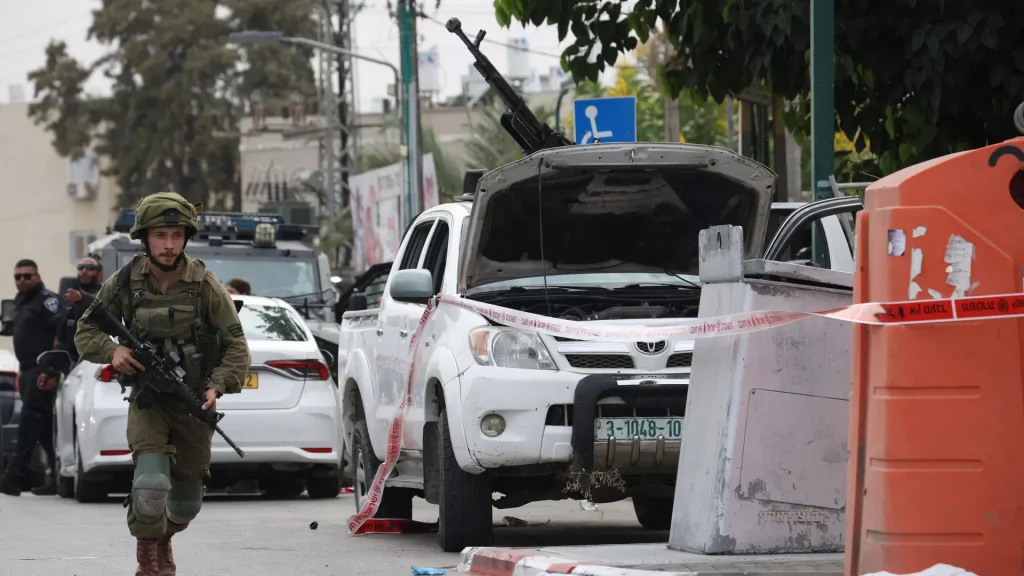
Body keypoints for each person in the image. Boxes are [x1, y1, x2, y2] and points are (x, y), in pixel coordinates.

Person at [75, 192, 250, 576]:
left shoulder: (204, 284)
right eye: (160, 235)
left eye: (176, 235)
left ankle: (161, 537)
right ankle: (148, 564)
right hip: (148, 402)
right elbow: (85, 331)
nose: (169, 244)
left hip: (193, 403)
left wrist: (216, 387)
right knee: (151, 485)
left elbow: (237, 346)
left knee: (186, 505)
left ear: (185, 238)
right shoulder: (125, 282)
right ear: (144, 239)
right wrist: (113, 351)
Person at [0, 259, 66, 497]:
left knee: (29, 422)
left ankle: (13, 477)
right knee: (43, 426)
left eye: (27, 276)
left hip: (42, 370)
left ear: (37, 277)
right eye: (17, 277)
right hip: (28, 370)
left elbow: (61, 334)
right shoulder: (21, 301)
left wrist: (50, 370)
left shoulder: (47, 301)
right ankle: (58, 477)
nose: (22, 280)